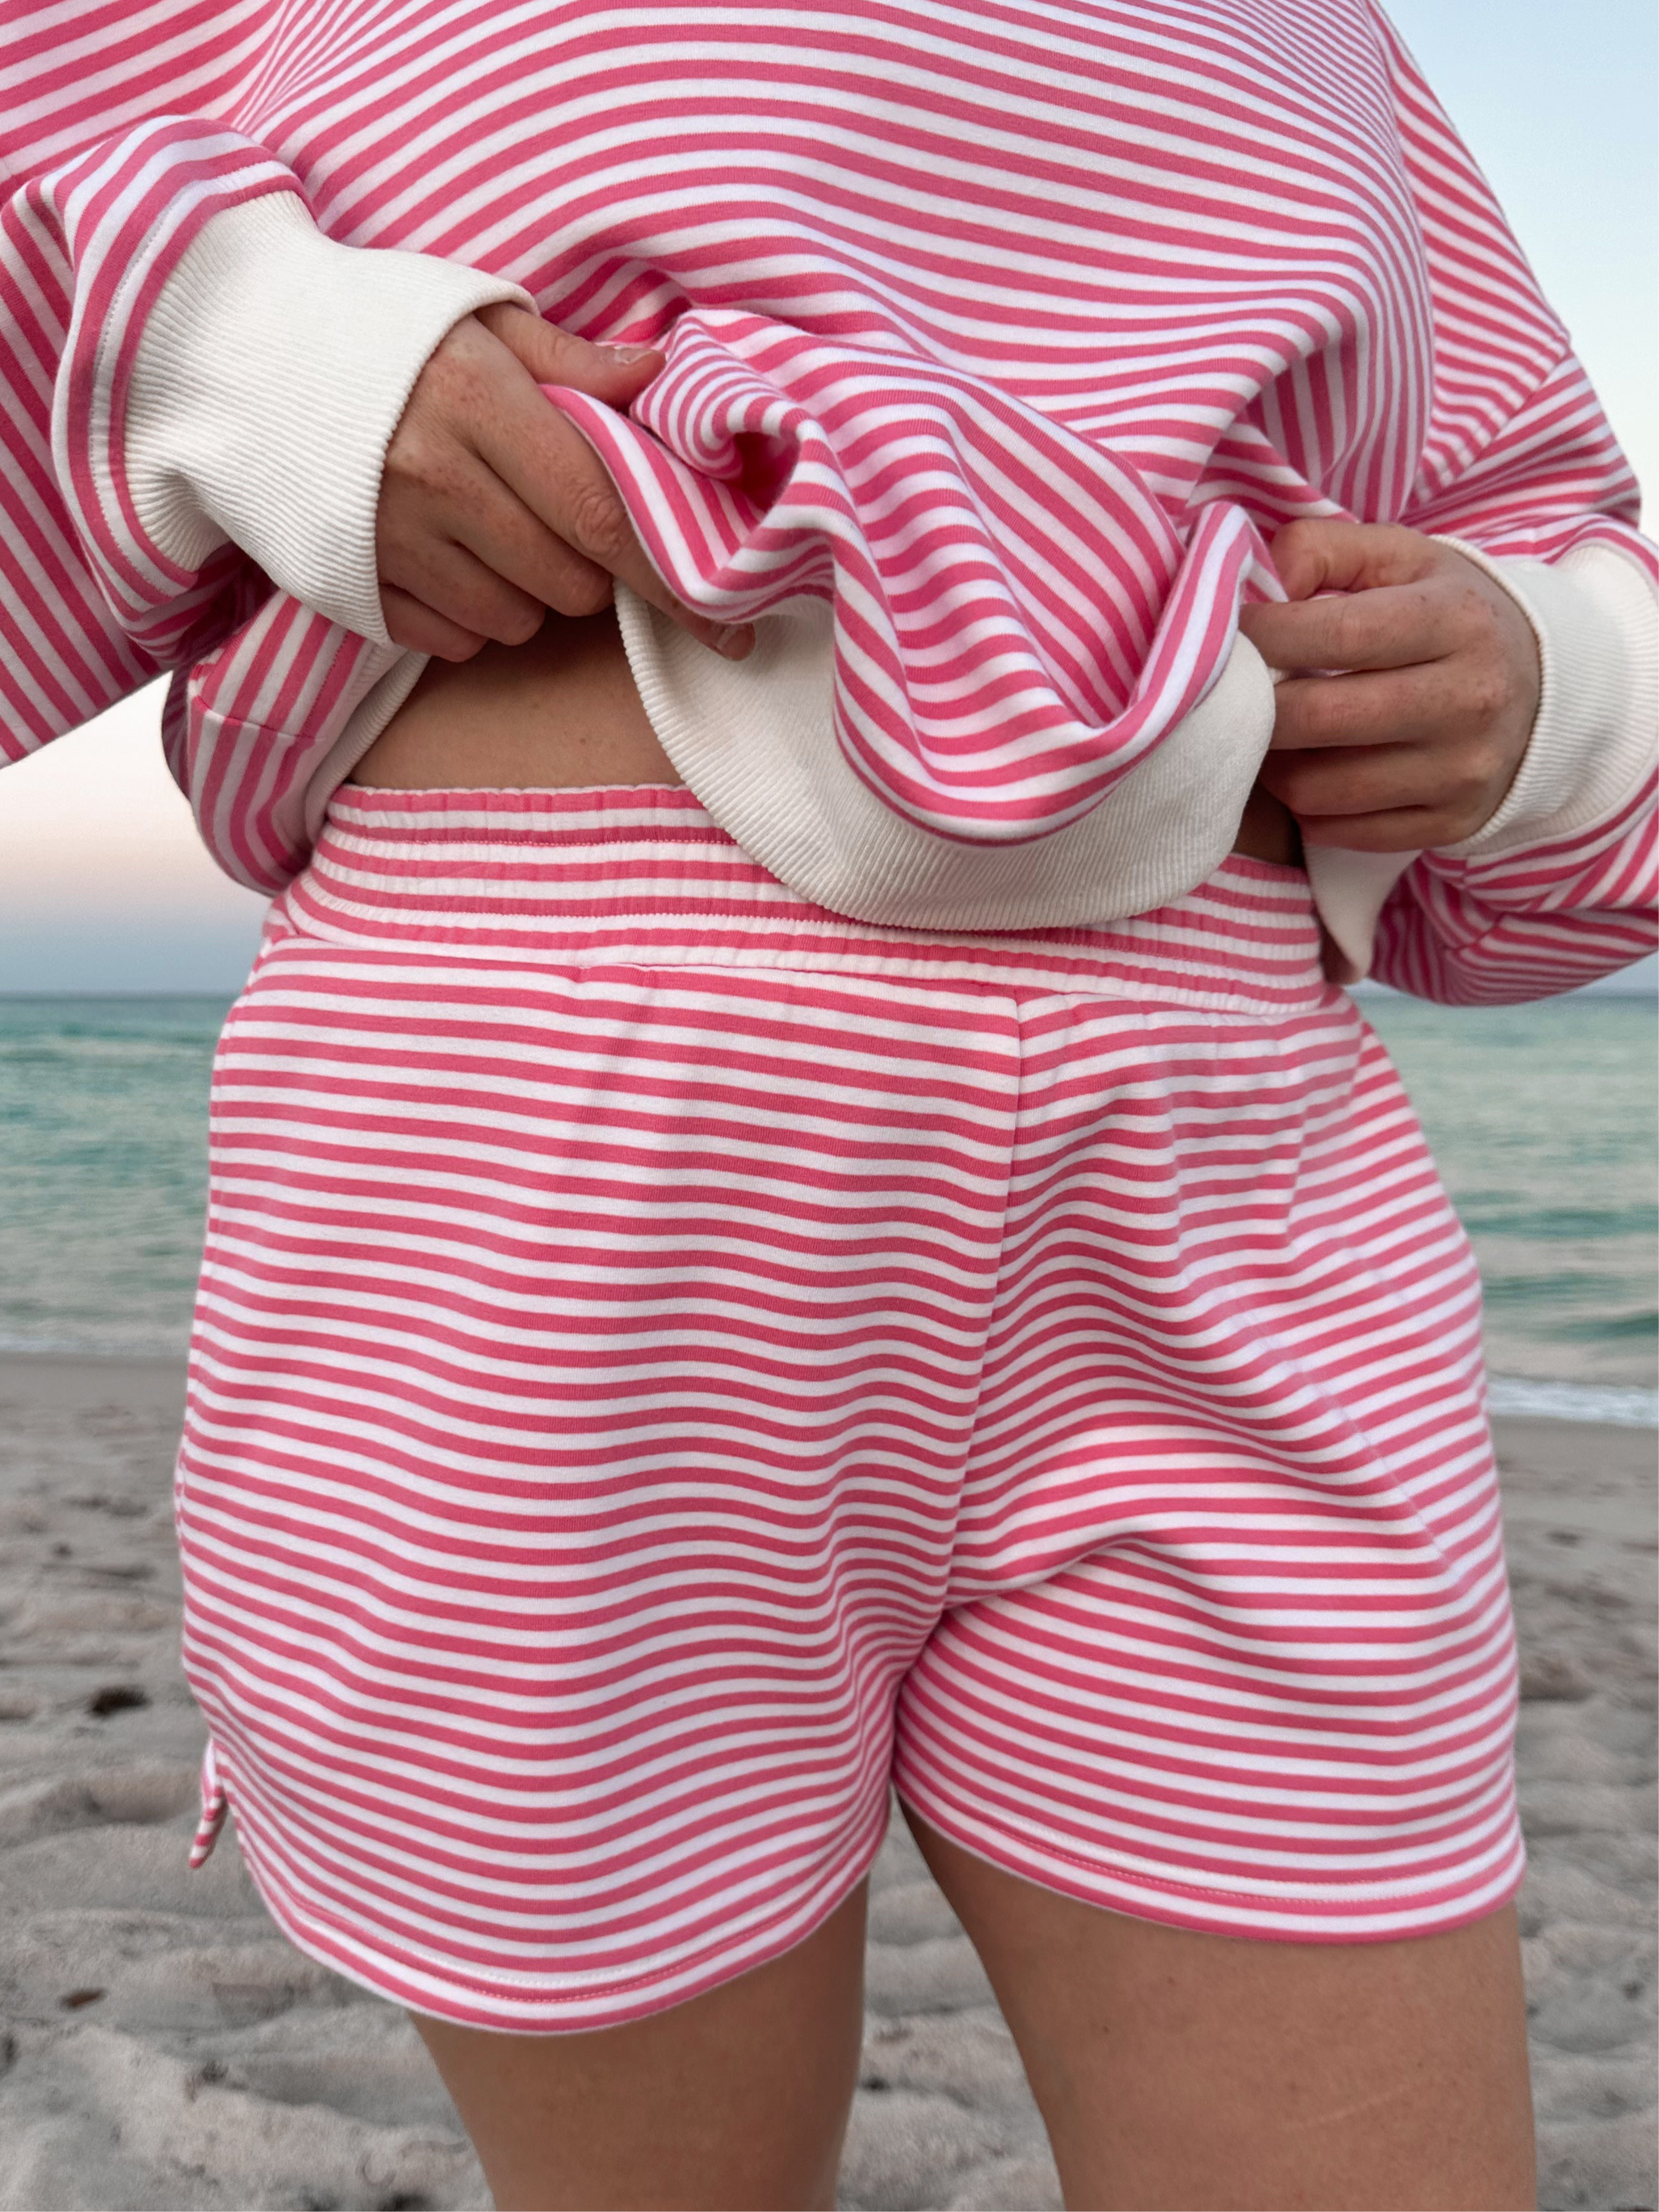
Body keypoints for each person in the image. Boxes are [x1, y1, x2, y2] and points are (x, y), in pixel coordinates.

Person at [4, 3, 1658, 2204]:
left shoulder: (1326, 34)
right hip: (532, 1203)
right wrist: (247, 351)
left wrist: (1537, 685)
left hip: (1231, 1190)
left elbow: (1530, 517)